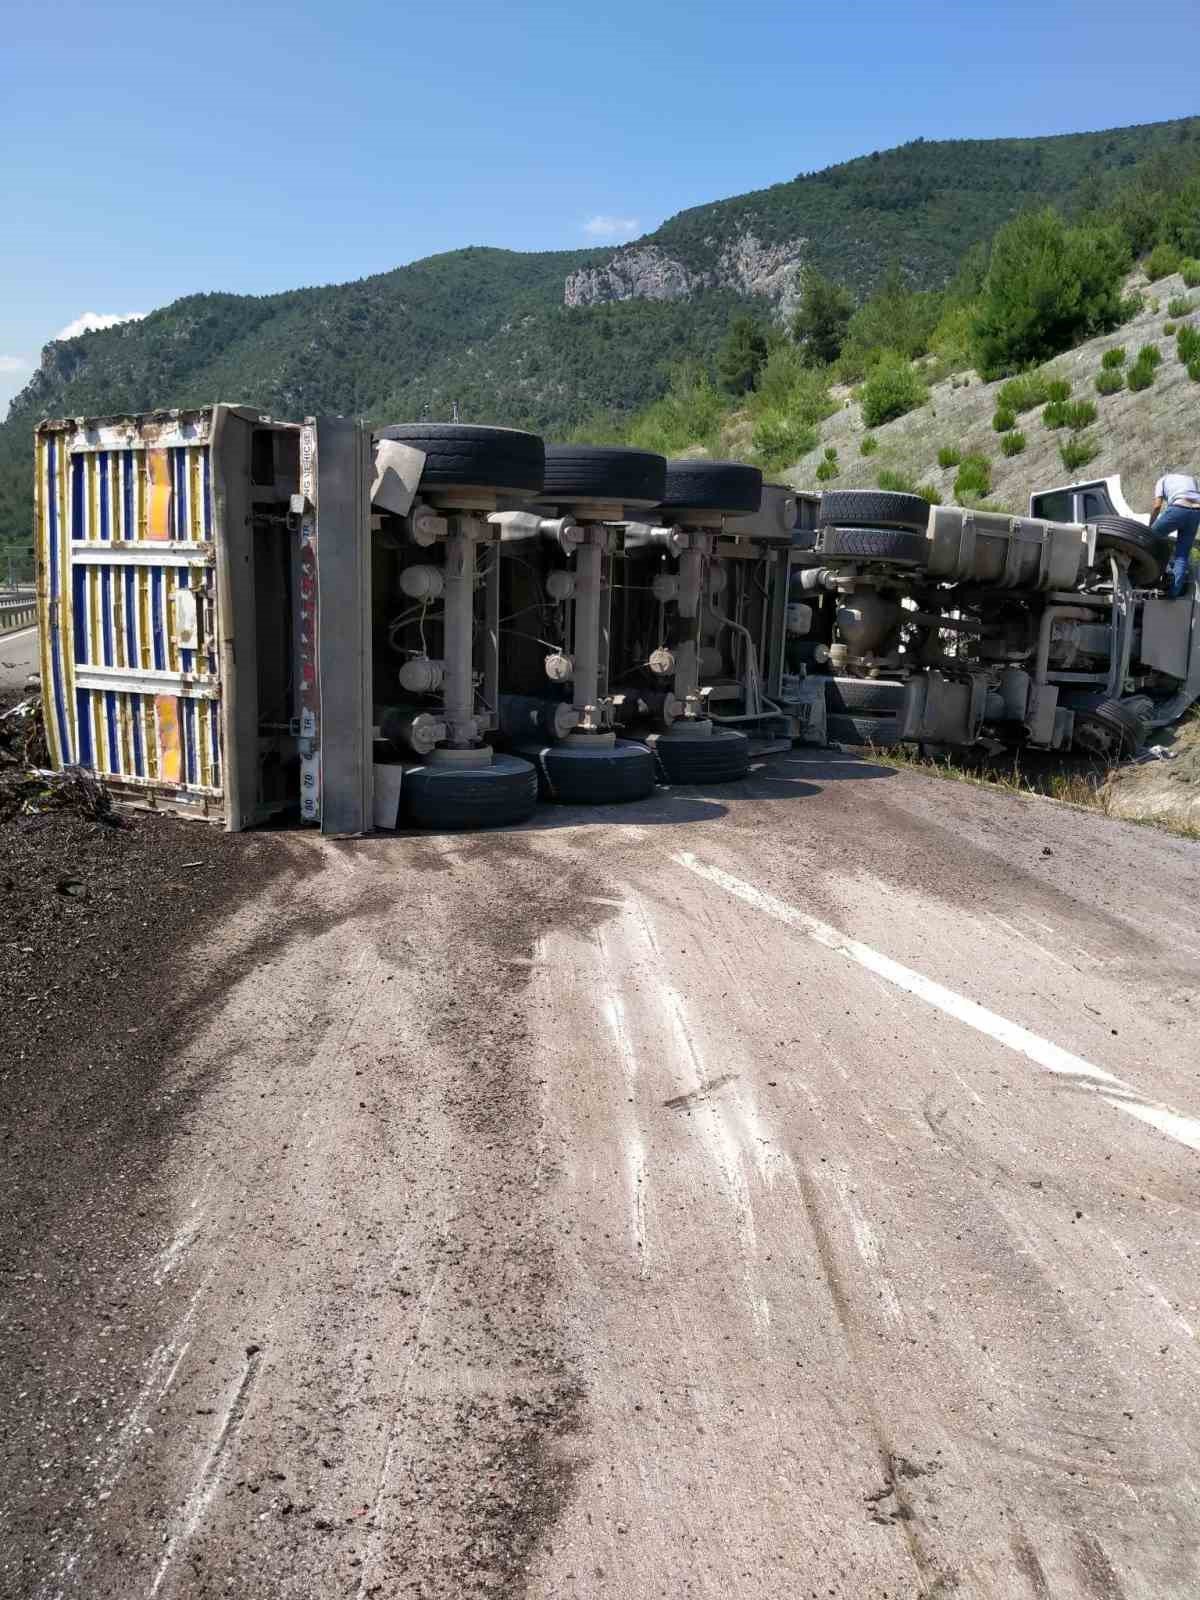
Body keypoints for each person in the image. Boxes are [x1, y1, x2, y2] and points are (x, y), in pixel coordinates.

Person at [1150, 470, 1200, 598]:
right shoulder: (1191, 479)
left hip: (1178, 508)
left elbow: (1157, 506)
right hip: (1196, 512)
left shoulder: (1162, 480)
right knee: (1182, 556)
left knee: (1149, 538)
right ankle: (1173, 594)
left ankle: (1154, 575)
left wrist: (1150, 527)